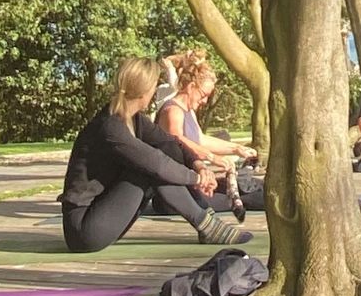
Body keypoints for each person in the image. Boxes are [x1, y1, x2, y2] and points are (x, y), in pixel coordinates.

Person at [59, 57, 251, 252]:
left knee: (159, 158)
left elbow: (171, 142)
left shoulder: (134, 120)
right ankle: (206, 224)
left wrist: (198, 164)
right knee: (149, 169)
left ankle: (205, 219)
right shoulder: (110, 127)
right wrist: (196, 178)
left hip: (105, 217)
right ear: (146, 91)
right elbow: (158, 164)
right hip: (84, 229)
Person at [149, 50, 262, 219]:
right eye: (204, 95)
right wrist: (213, 158)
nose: (204, 101)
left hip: (197, 184)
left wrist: (237, 149)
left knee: (252, 189)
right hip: (177, 194)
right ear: (191, 86)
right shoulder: (172, 111)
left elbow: (200, 140)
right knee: (244, 200)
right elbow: (179, 142)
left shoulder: (188, 111)